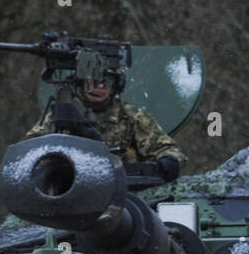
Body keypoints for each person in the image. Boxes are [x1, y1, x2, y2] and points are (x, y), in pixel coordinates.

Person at [25, 65, 185, 179]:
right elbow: (30, 154)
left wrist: (168, 160)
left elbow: (167, 149)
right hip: (71, 191)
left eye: (106, 82)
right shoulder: (61, 116)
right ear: (81, 82)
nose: (100, 87)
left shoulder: (131, 116)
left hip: (126, 194)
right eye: (93, 81)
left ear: (116, 86)